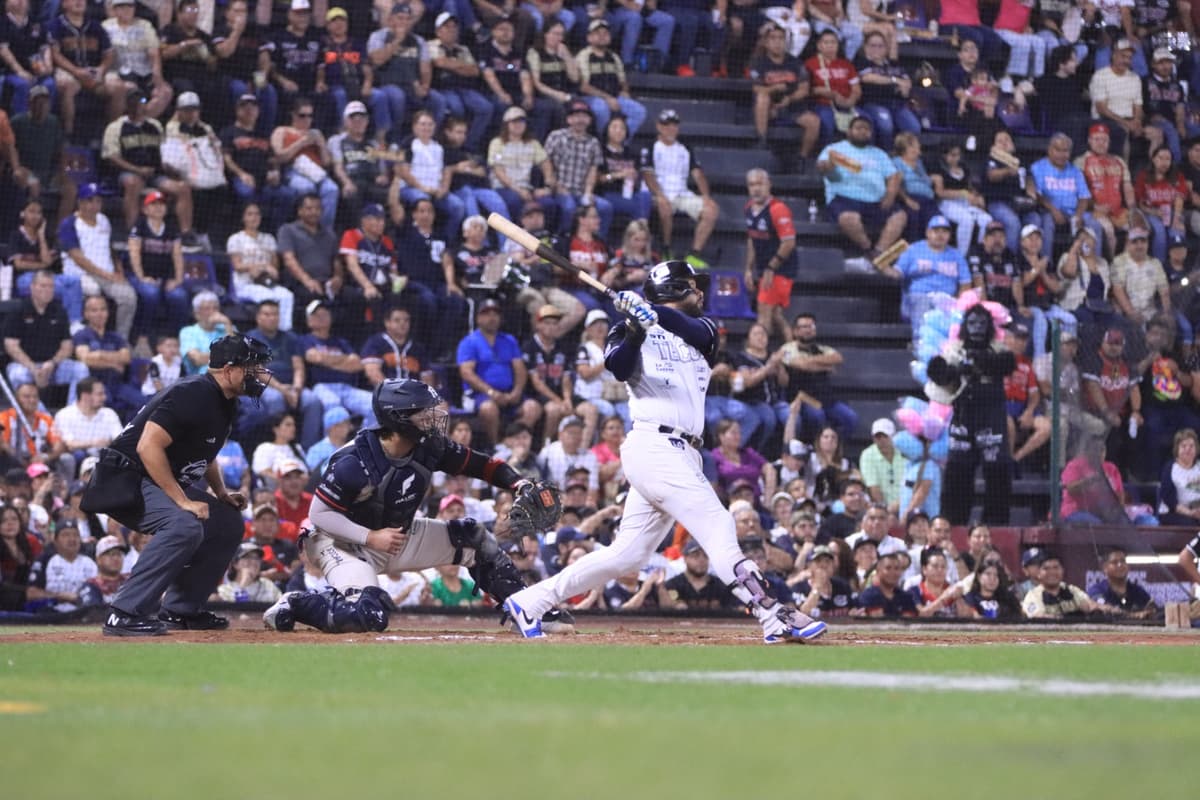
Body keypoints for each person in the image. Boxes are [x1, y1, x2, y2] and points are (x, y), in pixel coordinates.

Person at [503, 260, 827, 643]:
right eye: (691, 286)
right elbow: (618, 366)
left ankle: (530, 601)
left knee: (628, 555)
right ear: (672, 289)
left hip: (684, 451)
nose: (700, 293)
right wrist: (638, 329)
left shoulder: (703, 330)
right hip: (653, 445)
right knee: (719, 524)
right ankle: (773, 613)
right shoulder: (625, 327)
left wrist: (651, 312)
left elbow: (688, 328)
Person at [262, 378, 573, 633]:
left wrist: (518, 483)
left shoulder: (429, 446)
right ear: (398, 419)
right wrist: (371, 538)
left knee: (472, 538)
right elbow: (319, 513)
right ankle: (297, 602)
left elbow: (481, 465)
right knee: (368, 615)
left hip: (395, 535)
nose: (432, 418)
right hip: (339, 541)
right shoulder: (354, 461)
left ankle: (528, 609)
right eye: (423, 413)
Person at [91, 335, 270, 636]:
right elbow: (148, 447)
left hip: (152, 479)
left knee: (226, 522)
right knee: (184, 525)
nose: (257, 375)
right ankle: (123, 612)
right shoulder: (194, 392)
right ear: (229, 369)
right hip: (125, 478)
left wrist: (221, 492)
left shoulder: (223, 401)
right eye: (251, 368)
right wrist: (182, 500)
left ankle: (180, 610)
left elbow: (204, 452)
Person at [927, 303, 1016, 524]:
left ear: (990, 326)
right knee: (958, 469)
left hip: (991, 416)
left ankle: (995, 523)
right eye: (972, 323)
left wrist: (980, 362)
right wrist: (956, 370)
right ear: (964, 326)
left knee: (996, 470)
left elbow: (1007, 363)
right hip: (964, 415)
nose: (977, 328)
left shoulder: (998, 349)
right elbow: (938, 373)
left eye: (982, 323)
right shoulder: (955, 349)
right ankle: (953, 522)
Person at [817, 115, 906, 268]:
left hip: (876, 201)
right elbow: (823, 167)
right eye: (859, 128)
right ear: (849, 131)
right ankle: (868, 250)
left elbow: (893, 176)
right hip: (845, 198)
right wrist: (829, 166)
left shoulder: (879, 154)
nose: (863, 132)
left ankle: (878, 253)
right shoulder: (835, 149)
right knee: (848, 218)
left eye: (867, 129)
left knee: (900, 216)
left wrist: (890, 195)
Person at [3, 270, 89, 404]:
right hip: (26, 366)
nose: (47, 290)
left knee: (80, 369)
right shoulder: (18, 309)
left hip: (53, 366)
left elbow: (67, 345)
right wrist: (33, 368)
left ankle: (71, 415)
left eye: (51, 286)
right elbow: (11, 346)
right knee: (17, 374)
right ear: (32, 287)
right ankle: (40, 417)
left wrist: (52, 363)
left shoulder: (59, 311)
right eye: (43, 286)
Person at [890, 215, 972, 338]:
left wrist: (959, 304)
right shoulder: (913, 250)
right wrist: (885, 269)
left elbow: (965, 284)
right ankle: (921, 348)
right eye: (936, 231)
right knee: (923, 308)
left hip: (947, 299)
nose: (940, 235)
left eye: (944, 231)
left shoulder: (956, 255)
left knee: (952, 320)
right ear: (928, 232)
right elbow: (897, 273)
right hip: (920, 296)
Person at [749, 21, 820, 157]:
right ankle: (762, 140)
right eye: (773, 38)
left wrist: (789, 99)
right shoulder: (758, 62)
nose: (777, 42)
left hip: (792, 106)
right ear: (766, 42)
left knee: (814, 121)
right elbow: (757, 88)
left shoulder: (796, 63)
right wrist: (775, 88)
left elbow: (804, 89)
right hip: (769, 108)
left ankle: (802, 157)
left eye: (781, 38)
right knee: (762, 98)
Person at [1028, 133, 1102, 260]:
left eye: (1066, 151)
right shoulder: (1038, 168)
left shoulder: (1075, 171)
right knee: (1047, 222)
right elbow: (1038, 195)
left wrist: (1078, 215)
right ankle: (1047, 264)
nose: (1062, 155)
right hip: (1049, 211)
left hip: (1073, 211)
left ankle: (1095, 266)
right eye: (1058, 150)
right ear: (1050, 149)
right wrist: (1053, 210)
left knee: (1094, 225)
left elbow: (1084, 197)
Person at [744, 169, 798, 342]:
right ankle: (793, 351)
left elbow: (789, 242)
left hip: (780, 269)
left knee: (764, 314)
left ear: (769, 185)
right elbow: (752, 239)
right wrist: (748, 268)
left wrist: (771, 268)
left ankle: (760, 357)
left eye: (760, 184)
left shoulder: (778, 209)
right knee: (776, 315)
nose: (756, 189)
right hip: (764, 268)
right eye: (752, 185)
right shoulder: (748, 209)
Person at [576, 19, 646, 141]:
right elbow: (583, 86)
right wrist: (607, 98)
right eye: (598, 33)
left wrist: (624, 91)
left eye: (605, 33)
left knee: (639, 111)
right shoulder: (584, 56)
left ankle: (620, 143)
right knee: (601, 109)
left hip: (615, 96)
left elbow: (622, 80)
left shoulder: (614, 57)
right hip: (591, 97)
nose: (602, 36)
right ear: (589, 37)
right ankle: (603, 143)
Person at [1022, 552, 1101, 619]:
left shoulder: (1071, 590)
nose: (1052, 572)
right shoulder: (1033, 595)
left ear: (1063, 570)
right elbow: (1040, 617)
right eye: (1046, 568)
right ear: (1039, 574)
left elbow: (1089, 605)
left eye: (1056, 567)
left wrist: (1103, 609)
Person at [1088, 546, 1156, 618]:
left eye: (1123, 561)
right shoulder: (1097, 590)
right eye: (1114, 562)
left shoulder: (1138, 590)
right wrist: (1133, 616)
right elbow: (1105, 608)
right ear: (1105, 568)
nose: (1120, 565)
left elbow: (1152, 610)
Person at [859, 417, 905, 516]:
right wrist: (886, 511)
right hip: (882, 508)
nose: (882, 440)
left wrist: (901, 504)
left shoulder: (904, 452)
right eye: (878, 437)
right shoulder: (867, 455)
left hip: (906, 505)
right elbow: (873, 488)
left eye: (885, 436)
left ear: (893, 436)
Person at [1157, 428, 1200, 526]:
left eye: (1191, 446)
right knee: (1192, 524)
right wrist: (1190, 513)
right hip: (1173, 513)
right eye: (1183, 446)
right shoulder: (1170, 469)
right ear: (1177, 449)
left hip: (1197, 511)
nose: (1188, 449)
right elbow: (1169, 501)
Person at [857, 551, 917, 617]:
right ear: (878, 571)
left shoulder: (906, 597)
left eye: (896, 568)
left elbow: (909, 621)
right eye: (888, 568)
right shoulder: (868, 595)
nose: (893, 572)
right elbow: (877, 622)